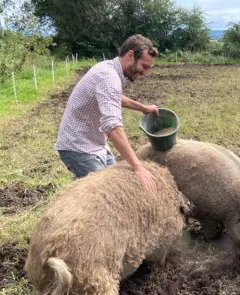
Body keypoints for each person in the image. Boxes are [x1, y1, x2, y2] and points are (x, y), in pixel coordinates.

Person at [54, 34, 160, 192]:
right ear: (130, 55)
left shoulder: (110, 68)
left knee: (116, 183)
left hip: (96, 144)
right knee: (107, 194)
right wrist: (138, 167)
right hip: (78, 147)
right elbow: (113, 127)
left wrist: (143, 108)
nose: (144, 73)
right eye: (144, 66)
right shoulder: (108, 77)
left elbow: (115, 96)